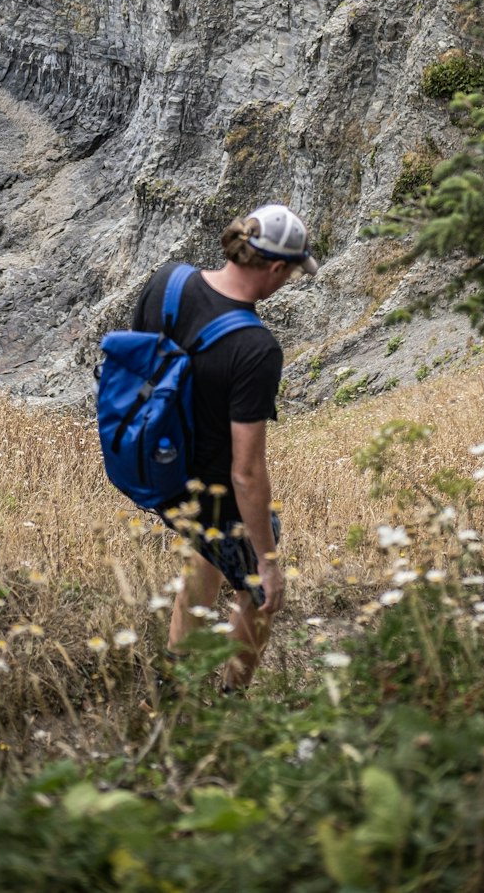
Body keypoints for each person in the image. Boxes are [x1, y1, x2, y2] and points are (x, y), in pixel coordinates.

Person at [131, 203, 318, 691]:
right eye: (293, 272)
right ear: (276, 267)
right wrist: (270, 563)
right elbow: (247, 473)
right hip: (211, 486)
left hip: (155, 467)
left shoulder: (168, 280)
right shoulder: (256, 349)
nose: (290, 280)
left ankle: (172, 684)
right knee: (258, 592)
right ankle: (232, 700)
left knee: (204, 553)